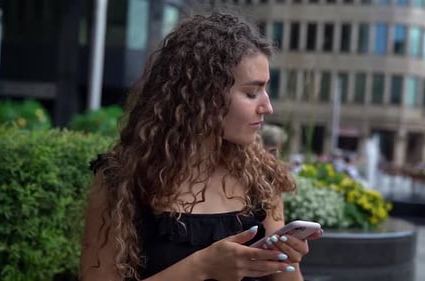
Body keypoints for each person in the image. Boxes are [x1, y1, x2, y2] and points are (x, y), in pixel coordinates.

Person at [80, 11, 321, 281]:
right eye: (251, 93)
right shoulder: (122, 180)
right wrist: (202, 267)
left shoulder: (261, 179)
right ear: (205, 95)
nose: (267, 106)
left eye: (265, 91)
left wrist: (285, 259)